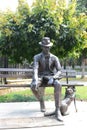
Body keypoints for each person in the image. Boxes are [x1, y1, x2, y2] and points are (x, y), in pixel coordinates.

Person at [31, 37, 63, 121]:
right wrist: (35, 79)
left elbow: (59, 70)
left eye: (48, 46)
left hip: (51, 77)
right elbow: (35, 68)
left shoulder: (55, 58)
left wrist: (54, 77)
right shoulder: (37, 57)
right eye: (45, 46)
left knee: (58, 84)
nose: (47, 48)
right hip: (41, 77)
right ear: (42, 47)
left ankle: (57, 110)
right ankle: (41, 101)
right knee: (33, 86)